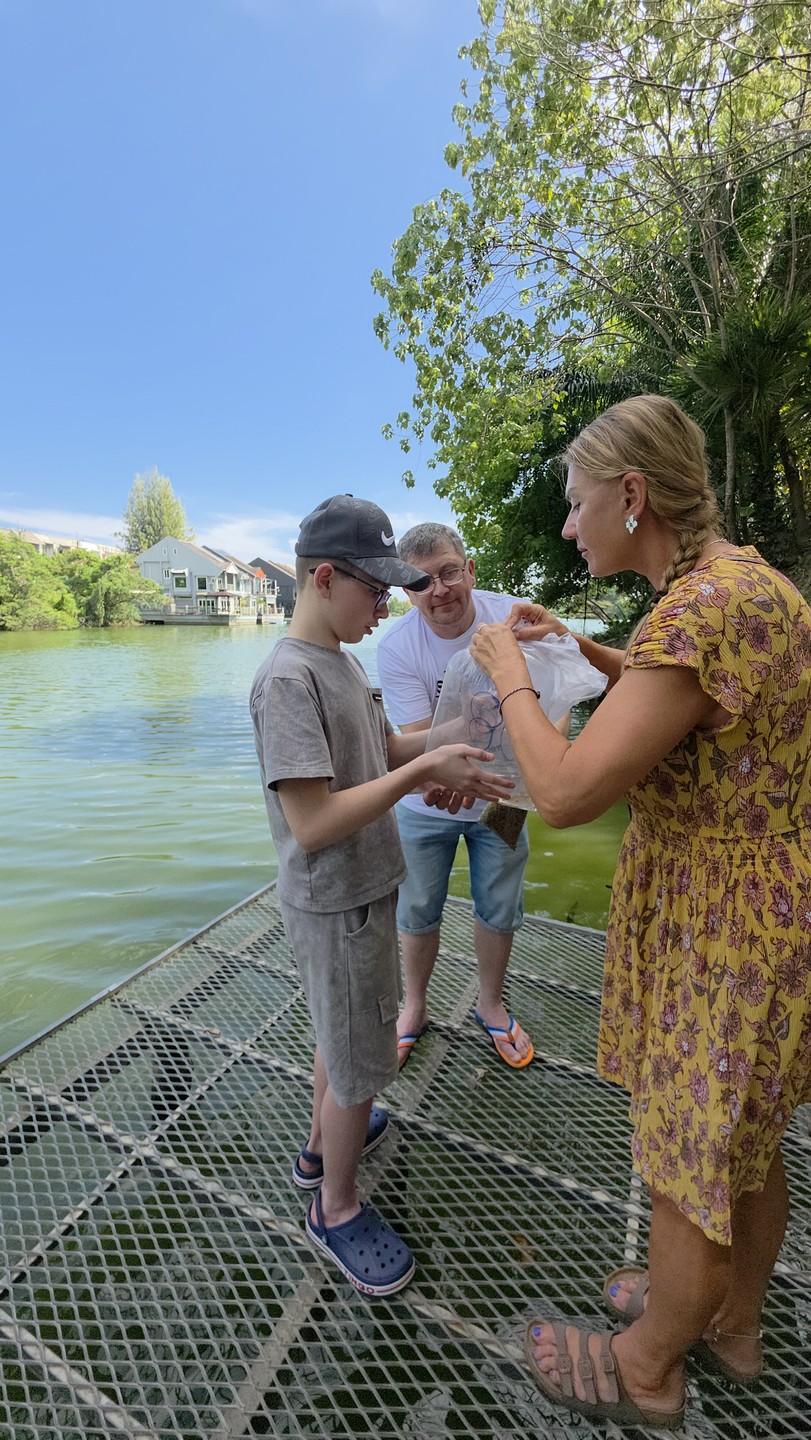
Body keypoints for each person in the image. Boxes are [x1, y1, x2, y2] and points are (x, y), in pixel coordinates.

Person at [470, 395, 811, 1429]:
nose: (567, 524)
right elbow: (696, 703)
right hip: (765, 907)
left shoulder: (697, 609)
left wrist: (512, 679)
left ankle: (647, 1366)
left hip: (720, 928)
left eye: (577, 503)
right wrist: (589, 651)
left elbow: (566, 792)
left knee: (685, 1164)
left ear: (631, 495)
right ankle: (730, 1323)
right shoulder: (742, 585)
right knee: (742, 1144)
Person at [250, 494, 513, 1298]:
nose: (388, 607)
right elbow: (313, 822)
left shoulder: (339, 658)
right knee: (359, 1063)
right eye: (377, 590)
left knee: (342, 1039)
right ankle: (334, 1207)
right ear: (325, 579)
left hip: (365, 891)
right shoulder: (289, 679)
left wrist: (451, 733)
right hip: (337, 901)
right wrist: (423, 772)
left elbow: (384, 750)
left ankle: (319, 1147)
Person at [376, 522, 538, 1071]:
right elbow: (424, 742)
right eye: (421, 582)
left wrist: (545, 767)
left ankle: (490, 1003)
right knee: (418, 904)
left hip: (506, 794)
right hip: (428, 802)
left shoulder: (512, 618)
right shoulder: (398, 646)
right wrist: (489, 725)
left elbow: (553, 701)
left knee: (500, 898)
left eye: (449, 572)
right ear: (406, 592)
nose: (439, 590)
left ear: (469, 570)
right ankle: (415, 1006)